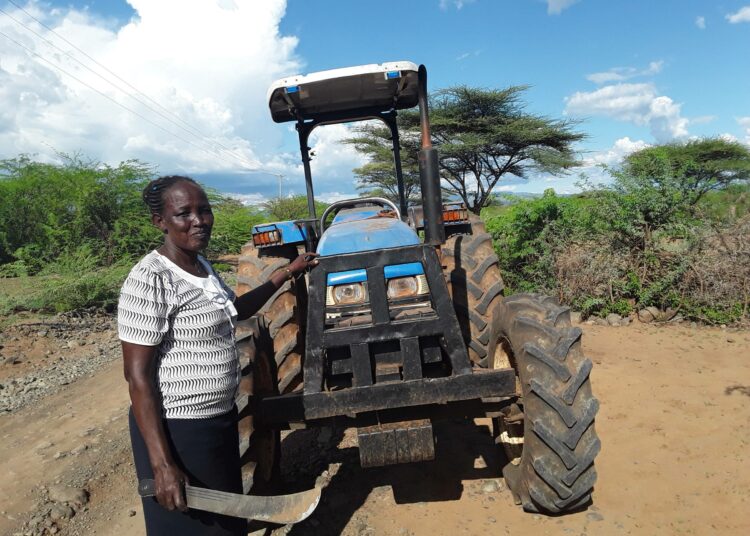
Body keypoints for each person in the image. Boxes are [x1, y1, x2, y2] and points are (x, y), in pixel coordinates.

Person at [117, 175, 318, 535]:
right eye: (184, 213)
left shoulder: (202, 267)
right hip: (179, 431)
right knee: (189, 527)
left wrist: (287, 272)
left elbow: (235, 310)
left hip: (218, 421)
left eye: (204, 210)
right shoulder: (150, 278)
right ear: (160, 222)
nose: (199, 220)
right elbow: (137, 377)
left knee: (225, 525)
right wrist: (162, 465)